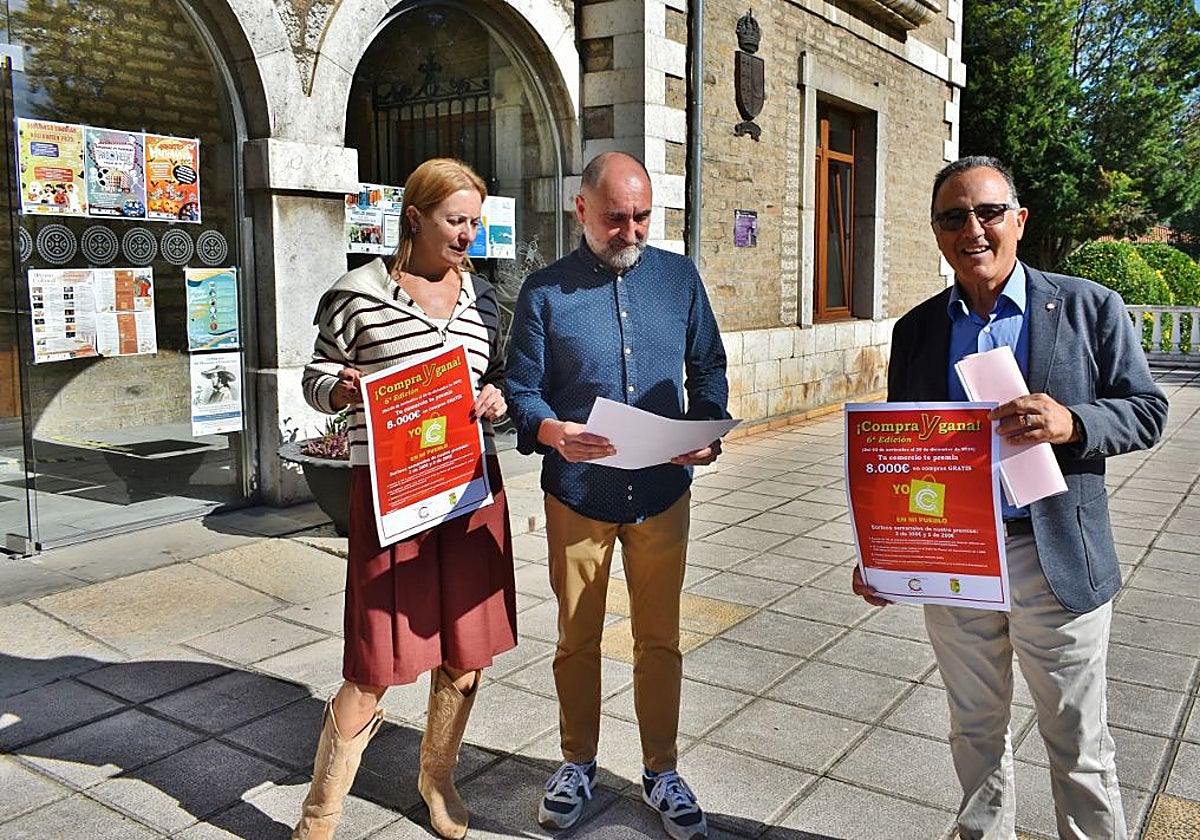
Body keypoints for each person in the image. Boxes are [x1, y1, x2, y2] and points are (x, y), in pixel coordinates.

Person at [852, 155, 1168, 839]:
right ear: (938, 234)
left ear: (1018, 220)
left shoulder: (1089, 307)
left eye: (989, 211)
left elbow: (1148, 410)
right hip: (959, 563)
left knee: (1078, 745)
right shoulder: (918, 330)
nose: (973, 228)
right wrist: (885, 549)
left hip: (1053, 558)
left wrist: (1074, 422)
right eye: (953, 216)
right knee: (973, 734)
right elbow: (907, 454)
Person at [506, 151, 728, 840]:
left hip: (662, 490)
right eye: (614, 219)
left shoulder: (679, 279)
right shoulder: (543, 293)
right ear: (580, 210)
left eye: (641, 218)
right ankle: (577, 762)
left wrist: (706, 430)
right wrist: (549, 429)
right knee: (577, 639)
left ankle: (661, 769)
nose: (630, 232)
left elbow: (709, 366)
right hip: (578, 492)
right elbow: (520, 388)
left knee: (659, 638)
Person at [293, 158, 516, 840]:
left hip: (469, 492)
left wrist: (497, 399)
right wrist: (340, 389)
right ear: (414, 217)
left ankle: (436, 775)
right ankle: (320, 811)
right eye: (455, 221)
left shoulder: (488, 300)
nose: (468, 235)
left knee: (467, 651)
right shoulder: (356, 294)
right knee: (374, 657)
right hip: (391, 498)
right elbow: (316, 374)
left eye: (475, 221)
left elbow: (502, 382)